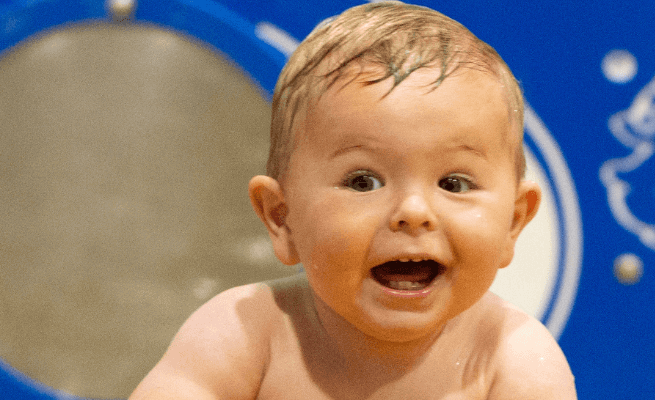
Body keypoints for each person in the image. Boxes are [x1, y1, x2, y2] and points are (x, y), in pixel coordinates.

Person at [132, 2, 575, 398]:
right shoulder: (246, 331)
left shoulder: (512, 358)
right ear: (282, 219)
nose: (413, 213)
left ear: (513, 223)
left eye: (453, 183)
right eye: (363, 182)